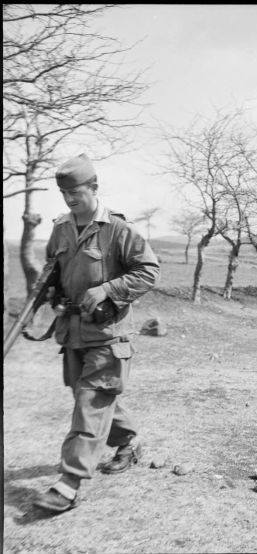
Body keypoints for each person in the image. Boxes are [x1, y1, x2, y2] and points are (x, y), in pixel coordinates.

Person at [33, 153, 160, 513]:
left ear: (94, 188)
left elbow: (149, 271)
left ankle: (68, 484)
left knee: (90, 403)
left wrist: (107, 290)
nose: (71, 199)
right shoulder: (60, 229)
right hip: (72, 334)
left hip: (108, 335)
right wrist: (55, 298)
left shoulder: (118, 230)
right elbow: (54, 274)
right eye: (64, 193)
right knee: (92, 399)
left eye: (77, 191)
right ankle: (129, 443)